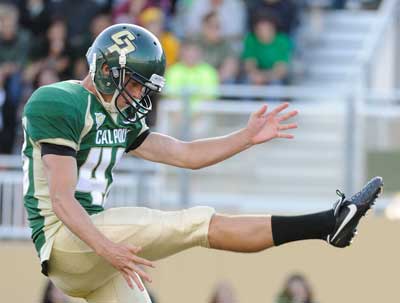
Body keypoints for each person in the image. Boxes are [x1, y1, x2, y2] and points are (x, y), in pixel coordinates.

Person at [22, 23, 383, 303]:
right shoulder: (59, 101)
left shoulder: (119, 116)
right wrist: (107, 249)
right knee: (193, 223)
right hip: (66, 240)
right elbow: (61, 200)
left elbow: (185, 155)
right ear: (106, 70)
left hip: (95, 257)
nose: (138, 95)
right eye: (133, 83)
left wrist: (245, 137)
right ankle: (327, 223)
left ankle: (329, 224)